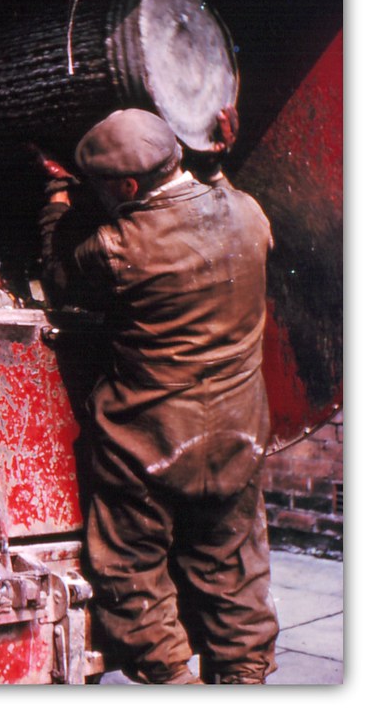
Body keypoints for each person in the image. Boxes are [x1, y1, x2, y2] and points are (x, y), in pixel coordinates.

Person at [34, 107, 279, 685]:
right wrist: (215, 164)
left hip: (152, 445)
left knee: (132, 572)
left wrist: (58, 198)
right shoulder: (250, 214)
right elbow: (218, 204)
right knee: (235, 573)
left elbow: (57, 275)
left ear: (126, 187)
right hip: (239, 436)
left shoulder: (119, 247)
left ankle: (171, 683)